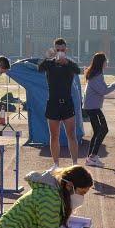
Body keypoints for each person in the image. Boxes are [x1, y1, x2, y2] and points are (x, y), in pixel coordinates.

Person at [38, 38, 82, 168]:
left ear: (66, 50)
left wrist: (66, 62)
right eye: (58, 50)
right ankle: (56, 164)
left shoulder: (70, 64)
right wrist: (48, 56)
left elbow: (78, 71)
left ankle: (74, 164)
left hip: (67, 103)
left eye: (62, 50)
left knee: (71, 135)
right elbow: (39, 68)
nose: (60, 52)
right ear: (54, 50)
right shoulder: (49, 64)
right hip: (53, 103)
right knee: (54, 136)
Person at [82, 52, 115, 167]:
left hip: (92, 107)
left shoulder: (97, 74)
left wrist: (114, 84)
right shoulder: (96, 75)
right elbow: (104, 91)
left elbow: (103, 87)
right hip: (93, 107)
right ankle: (92, 156)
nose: (107, 63)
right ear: (101, 62)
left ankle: (90, 157)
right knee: (103, 130)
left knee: (98, 131)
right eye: (105, 61)